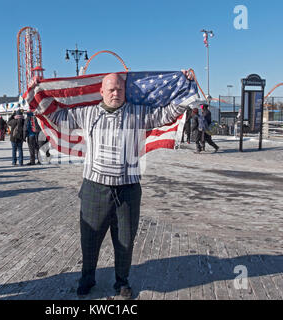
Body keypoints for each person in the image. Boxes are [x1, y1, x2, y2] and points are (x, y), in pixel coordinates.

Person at [43, 71, 194, 299]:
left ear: (125, 91)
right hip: (95, 187)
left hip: (128, 189)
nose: (115, 93)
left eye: (120, 89)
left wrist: (187, 85)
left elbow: (167, 113)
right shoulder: (87, 113)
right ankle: (87, 277)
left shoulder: (138, 112)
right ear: (101, 91)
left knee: (125, 239)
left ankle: (121, 281)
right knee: (90, 237)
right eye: (111, 89)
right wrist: (37, 93)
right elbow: (58, 117)